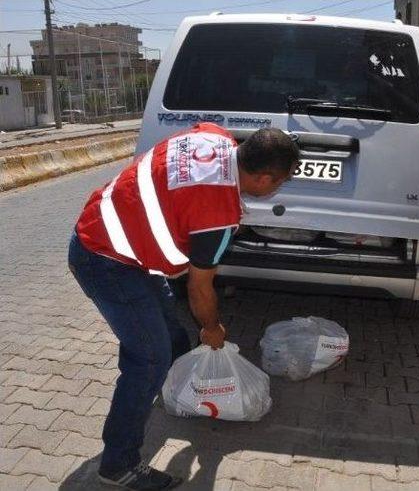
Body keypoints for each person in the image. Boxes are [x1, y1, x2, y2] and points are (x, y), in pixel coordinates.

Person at [68, 123, 299, 489]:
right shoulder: (219, 215)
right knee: (148, 359)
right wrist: (211, 328)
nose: (278, 188)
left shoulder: (214, 135)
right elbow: (199, 290)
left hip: (118, 240)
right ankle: (118, 464)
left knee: (171, 337)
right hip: (105, 259)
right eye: (280, 182)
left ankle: (173, 391)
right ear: (264, 178)